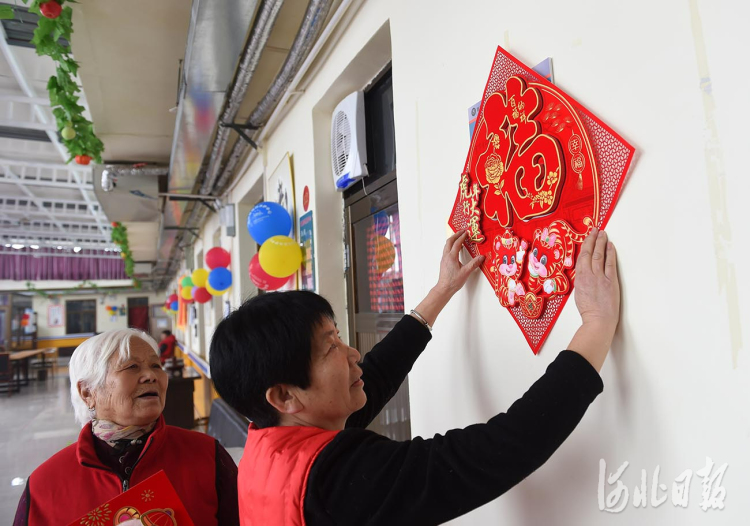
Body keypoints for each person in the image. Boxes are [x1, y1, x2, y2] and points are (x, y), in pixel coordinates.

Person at [210, 228, 619, 525]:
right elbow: (500, 451)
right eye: (330, 346)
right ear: (283, 396)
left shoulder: (270, 444)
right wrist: (597, 324)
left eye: (338, 336)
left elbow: (373, 376)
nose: (352, 353)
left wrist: (441, 291)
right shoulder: (335, 481)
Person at [13, 329, 239, 526]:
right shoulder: (45, 485)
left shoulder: (208, 455)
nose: (151, 375)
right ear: (88, 392)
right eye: (131, 367)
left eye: (155, 365)